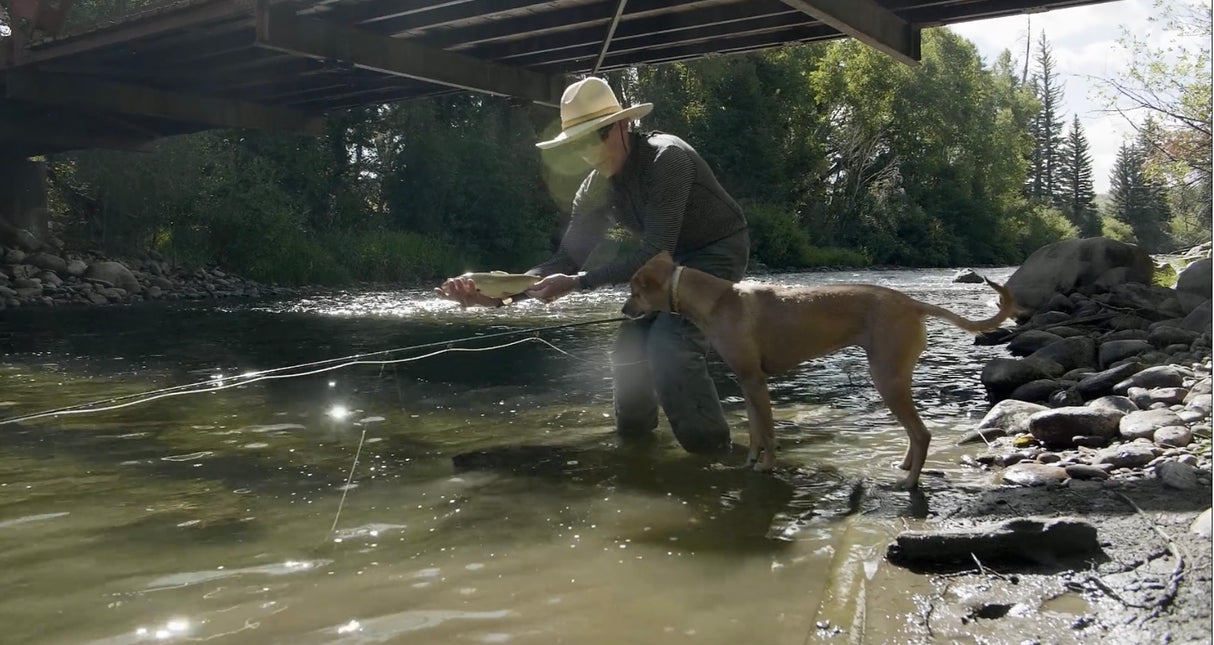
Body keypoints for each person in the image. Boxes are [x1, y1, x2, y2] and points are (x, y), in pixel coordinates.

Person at [436, 76, 749, 456]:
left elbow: (654, 252)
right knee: (629, 350)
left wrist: (580, 283)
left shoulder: (668, 159)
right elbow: (566, 261)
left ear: (622, 125)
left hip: (716, 249)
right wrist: (499, 297)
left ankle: (715, 460)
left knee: (670, 346)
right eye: (577, 143)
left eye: (596, 136)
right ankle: (637, 453)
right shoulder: (594, 187)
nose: (589, 151)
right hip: (663, 263)